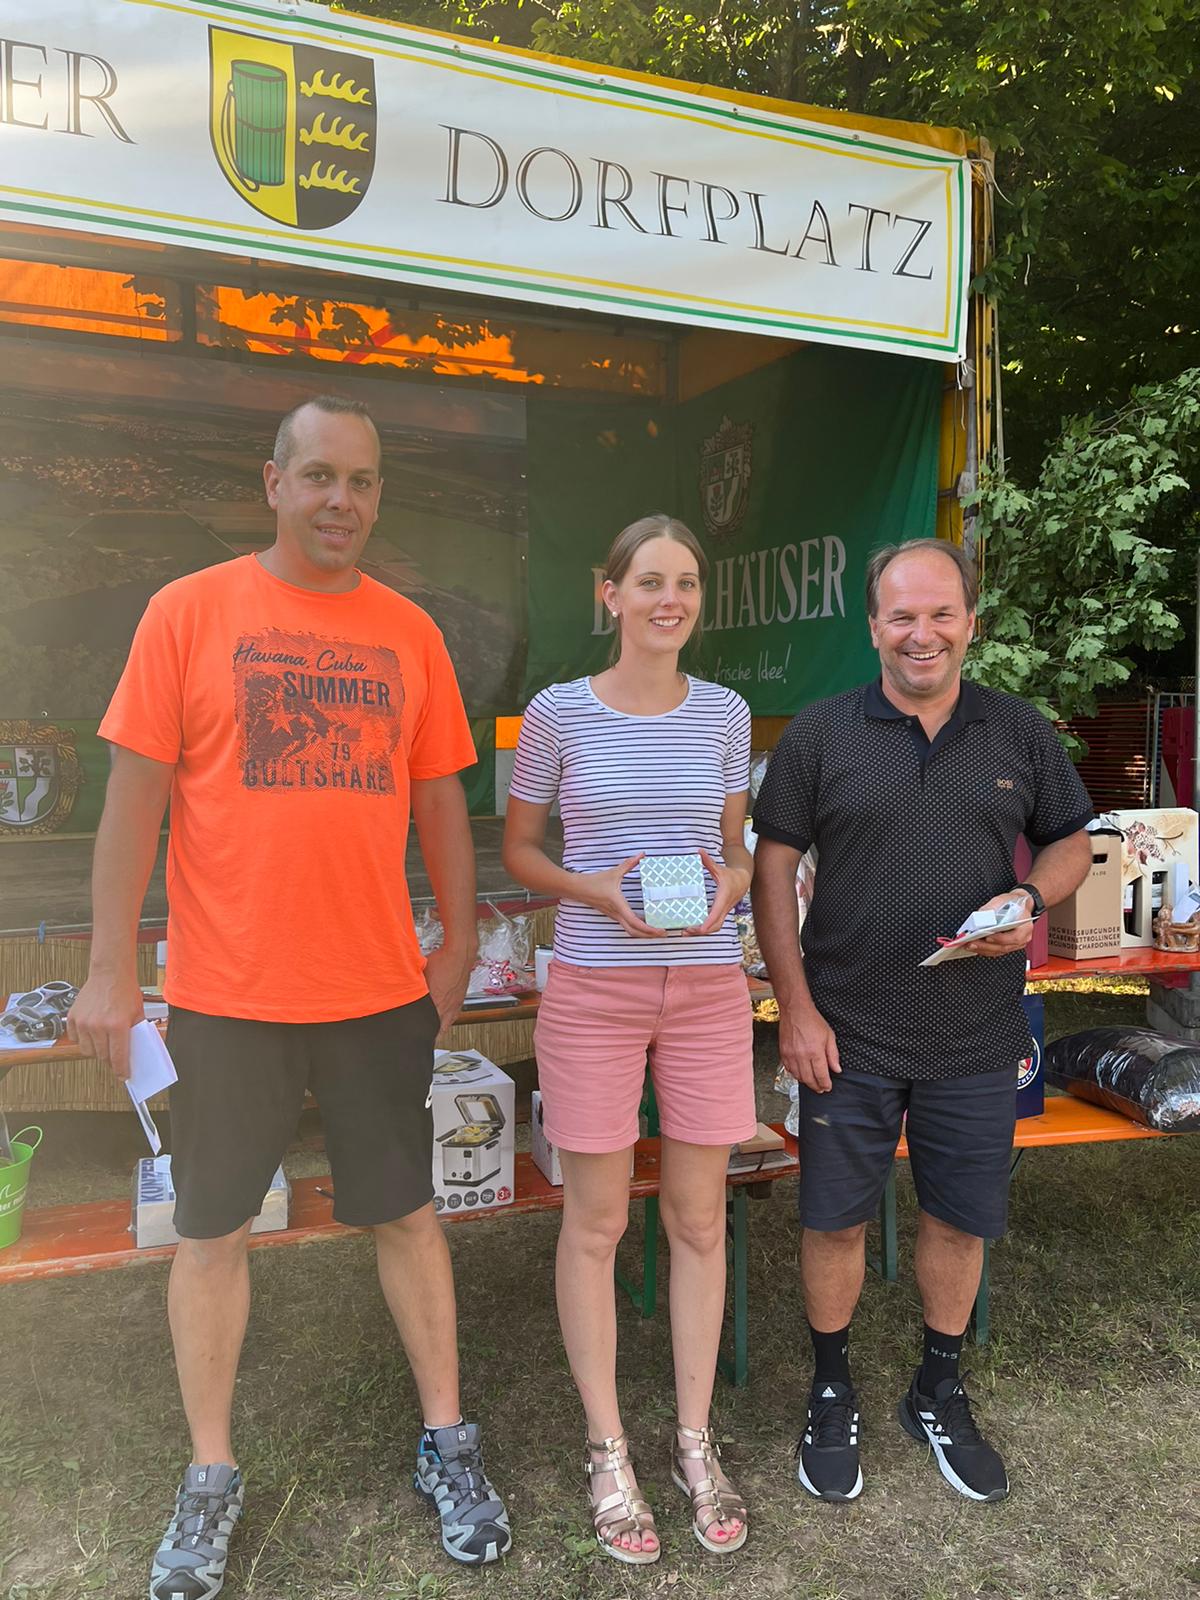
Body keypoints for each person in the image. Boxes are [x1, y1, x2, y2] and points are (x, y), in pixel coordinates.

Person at [68, 395, 511, 1600]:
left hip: (377, 991)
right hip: (228, 994)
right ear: (273, 483)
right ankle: (210, 1470)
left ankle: (447, 1438)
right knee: (212, 1230)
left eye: (361, 482)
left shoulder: (411, 633)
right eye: (318, 476)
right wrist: (110, 966)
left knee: (406, 1215)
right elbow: (133, 801)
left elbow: (441, 800)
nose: (339, 501)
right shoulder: (187, 612)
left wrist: (459, 943)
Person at [751, 538, 1093, 1507]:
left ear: (971, 623)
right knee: (834, 1221)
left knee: (959, 1218)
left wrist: (1030, 898)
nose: (922, 633)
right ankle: (832, 1389)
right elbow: (773, 870)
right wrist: (795, 1011)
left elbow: (1072, 839)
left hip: (977, 1033)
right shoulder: (821, 733)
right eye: (902, 615)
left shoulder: (1018, 731)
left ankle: (937, 1387)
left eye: (941, 613)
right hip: (845, 1032)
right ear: (873, 627)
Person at [502, 513, 756, 1564]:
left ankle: (695, 1441)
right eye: (649, 581)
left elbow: (735, 852)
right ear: (609, 594)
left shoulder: (726, 713)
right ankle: (607, 1449)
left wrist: (731, 887)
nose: (670, 599)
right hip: (594, 991)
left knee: (699, 1219)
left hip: (705, 988)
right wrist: (594, 888)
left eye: (686, 582)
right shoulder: (557, 713)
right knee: (598, 1222)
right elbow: (521, 850)